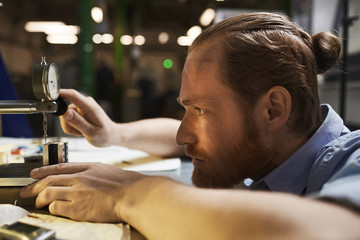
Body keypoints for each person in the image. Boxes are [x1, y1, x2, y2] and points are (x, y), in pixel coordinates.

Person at [20, 12, 360, 239]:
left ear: (272, 110)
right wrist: (112, 133)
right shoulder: (275, 149)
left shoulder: (353, 160)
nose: (184, 136)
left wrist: (130, 194)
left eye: (200, 109)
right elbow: (179, 136)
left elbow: (332, 231)